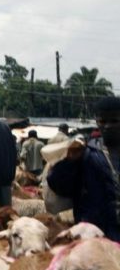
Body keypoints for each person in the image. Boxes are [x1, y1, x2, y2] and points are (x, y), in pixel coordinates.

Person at [47, 96, 120, 241]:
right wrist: (69, 162)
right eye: (102, 121)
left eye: (114, 121)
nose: (107, 126)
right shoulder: (86, 154)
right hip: (94, 235)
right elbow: (60, 187)